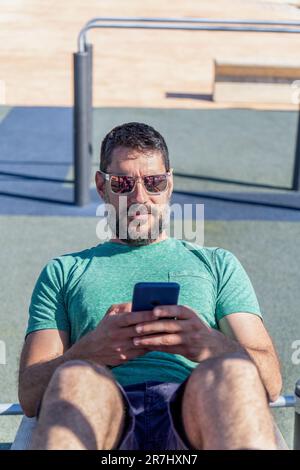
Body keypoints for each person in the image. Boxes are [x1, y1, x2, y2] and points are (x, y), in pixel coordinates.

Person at [18, 122, 282, 450]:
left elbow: (270, 382)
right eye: (124, 183)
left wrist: (210, 344)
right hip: (101, 413)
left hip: (194, 414)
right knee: (76, 376)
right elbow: (30, 395)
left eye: (154, 182)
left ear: (169, 184)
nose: (140, 197)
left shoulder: (217, 264)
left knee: (234, 372)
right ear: (102, 187)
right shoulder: (64, 271)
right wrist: (90, 351)